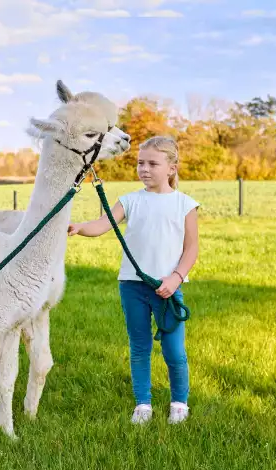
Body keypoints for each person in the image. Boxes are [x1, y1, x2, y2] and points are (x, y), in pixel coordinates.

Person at [67, 136, 200, 425]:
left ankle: (179, 402)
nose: (144, 169)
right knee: (139, 347)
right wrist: (79, 227)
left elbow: (192, 249)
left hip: (167, 289)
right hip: (132, 286)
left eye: (153, 163)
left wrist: (176, 278)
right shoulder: (130, 200)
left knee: (174, 351)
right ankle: (143, 404)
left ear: (172, 168)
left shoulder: (185, 204)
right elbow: (103, 224)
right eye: (141, 163)